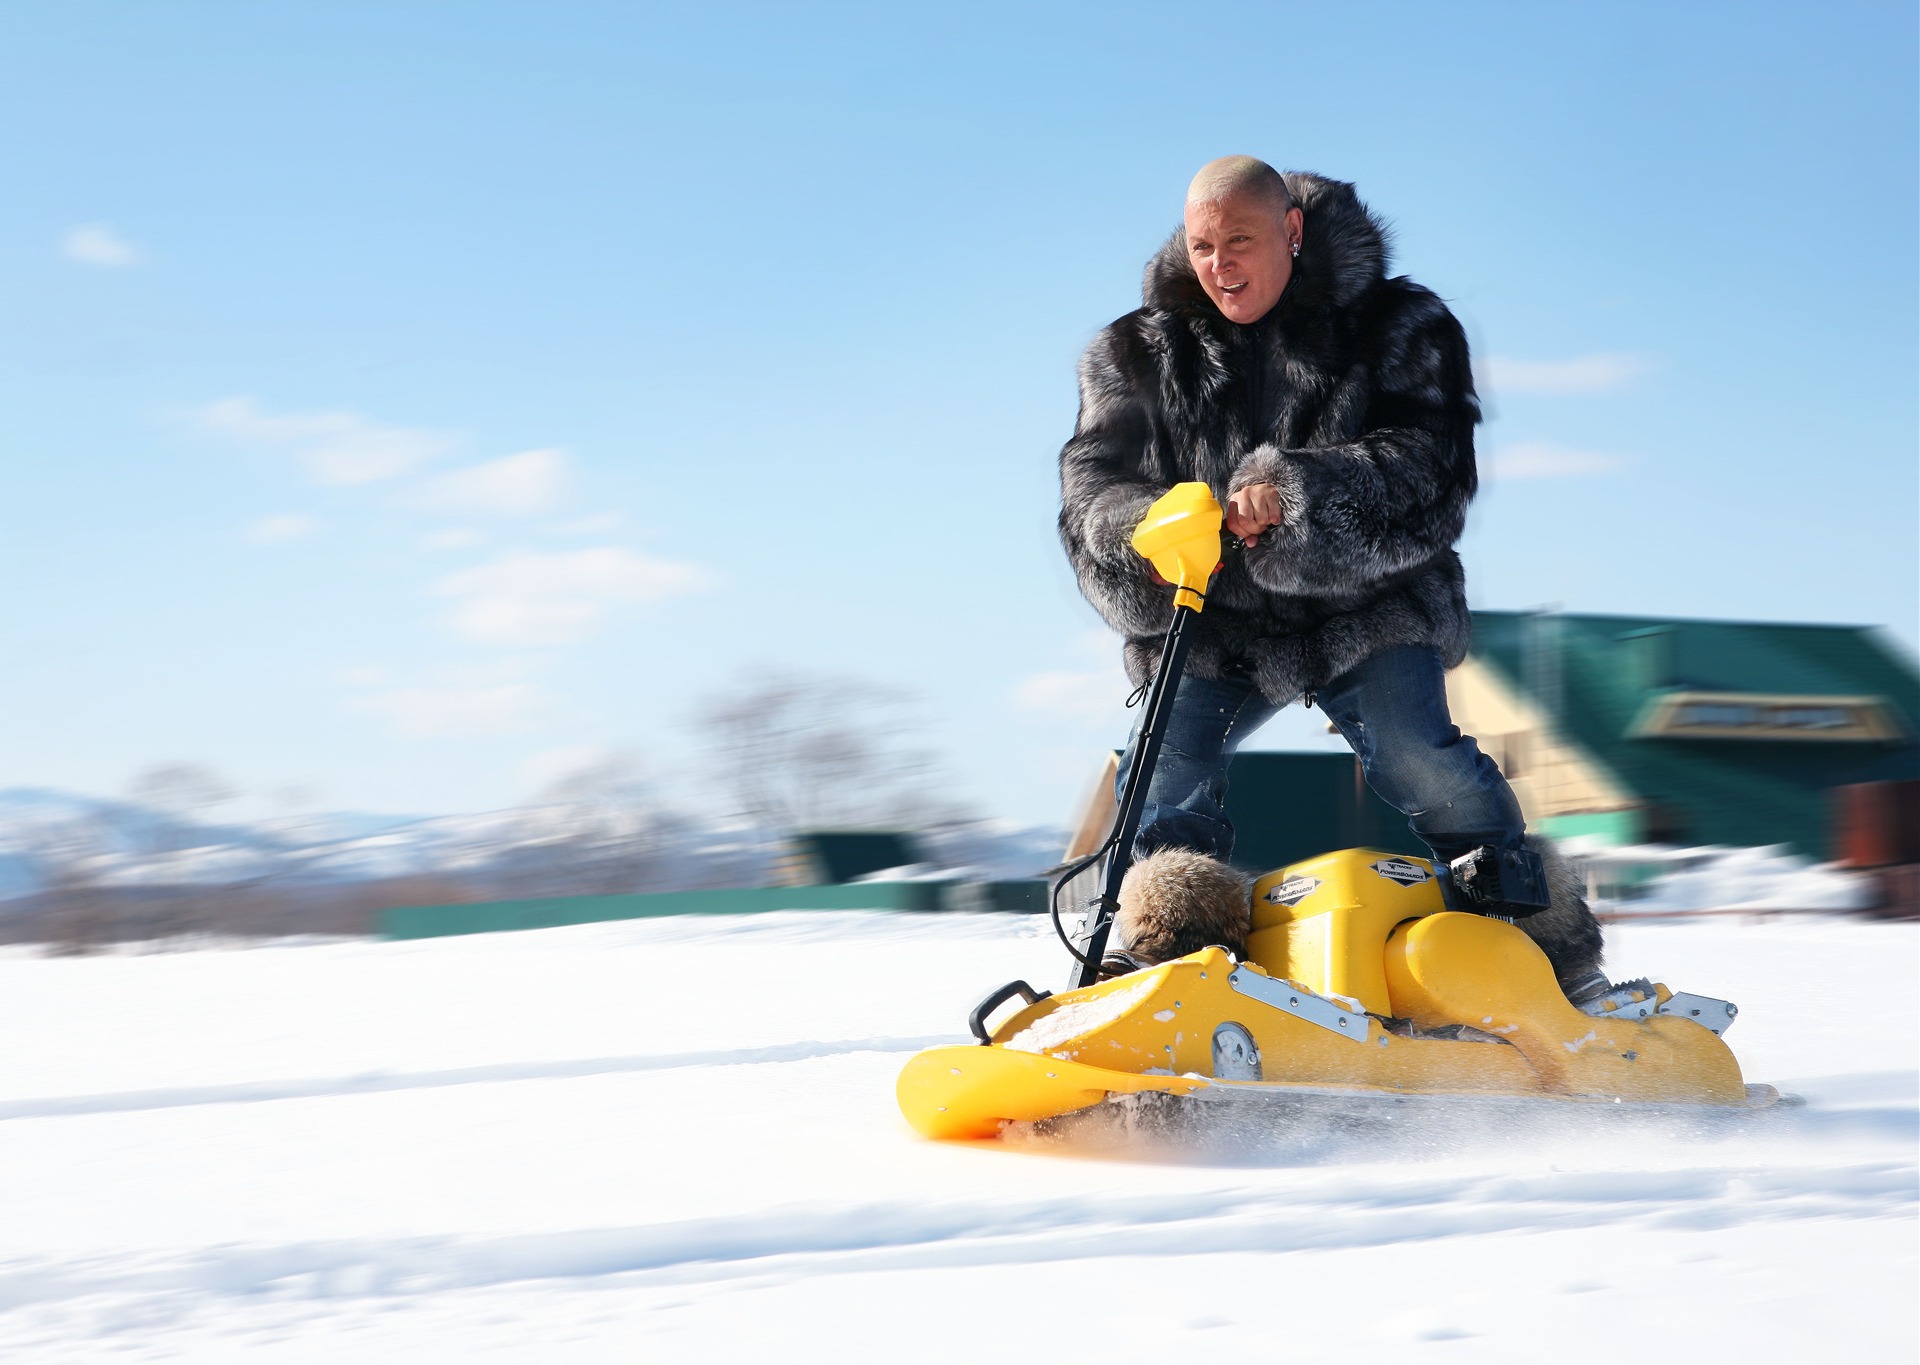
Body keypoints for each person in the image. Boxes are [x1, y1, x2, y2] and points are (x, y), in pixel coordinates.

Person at [1058, 156, 1625, 1009]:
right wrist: (1145, 523)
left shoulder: (1401, 325)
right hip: (1211, 613)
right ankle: (1166, 965)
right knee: (1161, 771)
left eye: (1240, 241)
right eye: (1204, 245)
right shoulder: (1136, 352)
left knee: (1418, 755)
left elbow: (1433, 469)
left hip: (1364, 605)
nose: (1220, 265)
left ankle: (1545, 952)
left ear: (1290, 230)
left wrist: (1298, 493)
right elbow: (1089, 482)